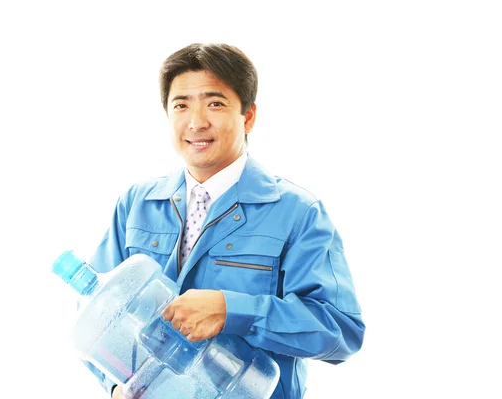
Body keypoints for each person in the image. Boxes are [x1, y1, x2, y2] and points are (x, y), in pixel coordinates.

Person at [84, 43, 365, 399]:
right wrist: (115, 385)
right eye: (181, 105)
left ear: (248, 116)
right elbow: (96, 314)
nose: (196, 122)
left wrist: (232, 310)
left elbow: (340, 332)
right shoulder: (137, 204)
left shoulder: (299, 213)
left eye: (214, 104)